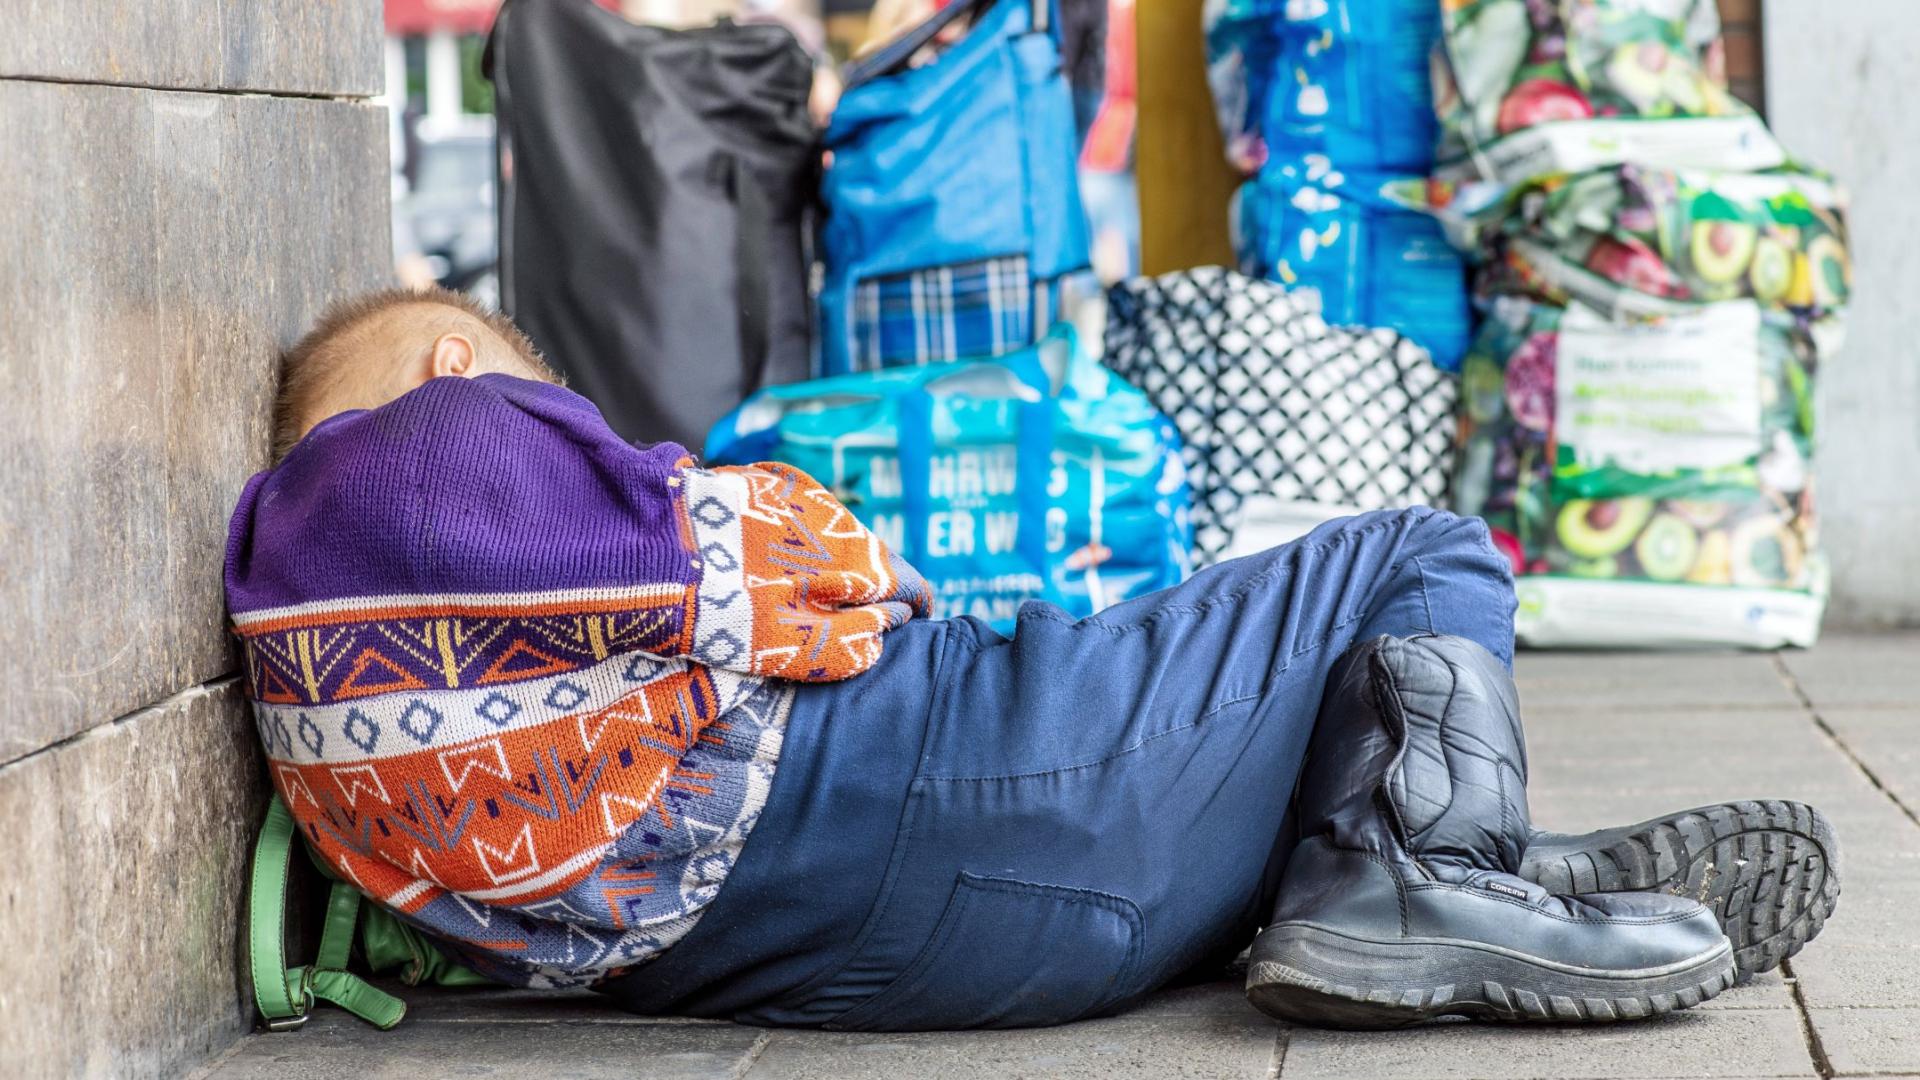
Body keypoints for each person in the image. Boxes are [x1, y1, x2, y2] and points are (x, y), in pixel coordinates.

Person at [224, 288, 1839, 1030]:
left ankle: (1406, 872)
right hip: (971, 779)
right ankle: (1435, 866)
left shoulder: (325, 712)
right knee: (1416, 557)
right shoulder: (416, 447)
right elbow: (798, 564)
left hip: (954, 962)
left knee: (1284, 738)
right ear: (455, 368)